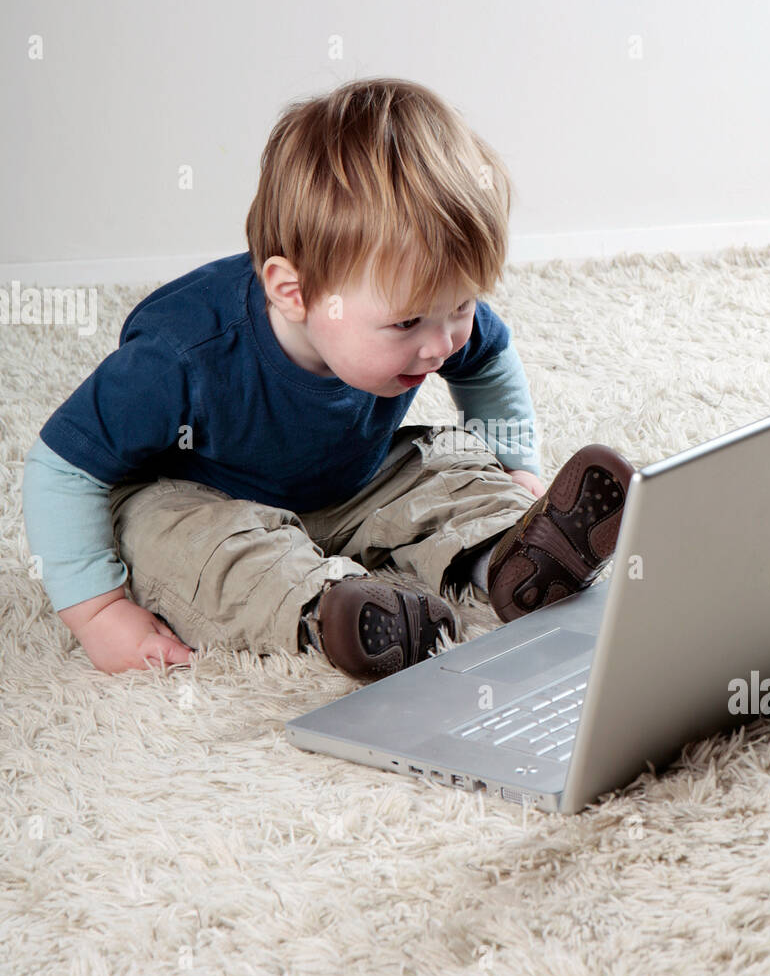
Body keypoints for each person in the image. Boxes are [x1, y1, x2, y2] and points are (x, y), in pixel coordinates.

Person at [22, 77, 634, 679]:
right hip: (205, 497)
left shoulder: (433, 310)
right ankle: (329, 612)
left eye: (463, 305)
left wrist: (515, 462)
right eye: (408, 323)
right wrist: (96, 612)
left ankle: (509, 555)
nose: (443, 342)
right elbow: (61, 464)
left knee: (449, 464)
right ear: (294, 293)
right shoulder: (183, 355)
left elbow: (489, 364)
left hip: (357, 478)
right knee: (182, 545)